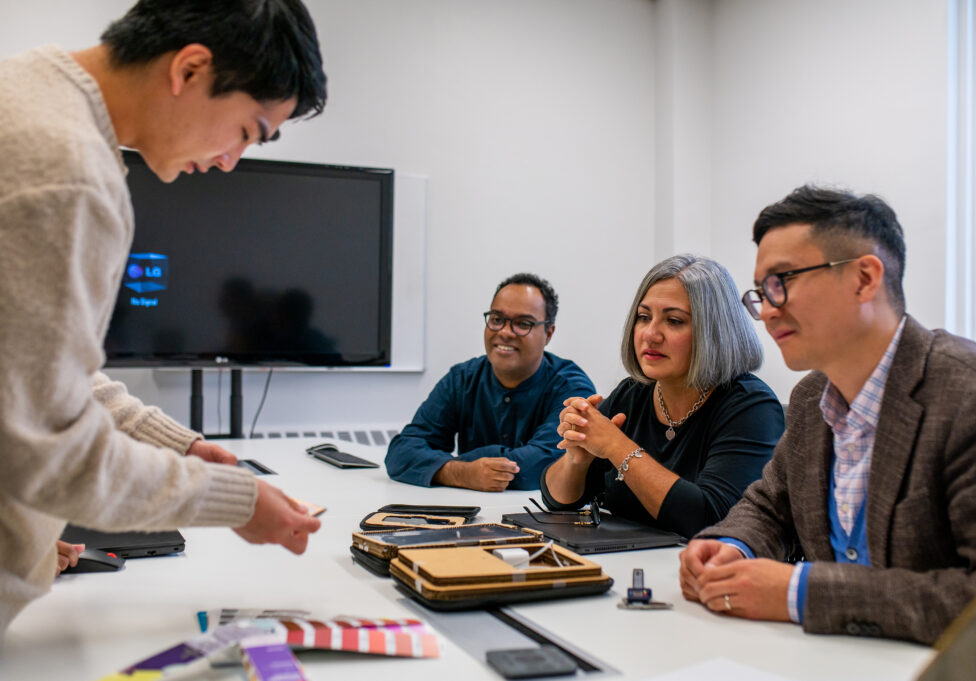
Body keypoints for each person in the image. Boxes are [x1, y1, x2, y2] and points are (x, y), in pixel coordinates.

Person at [0, 0, 328, 634]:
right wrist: (235, 502)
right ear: (190, 69)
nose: (232, 161)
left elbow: (37, 367)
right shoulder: (68, 173)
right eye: (248, 130)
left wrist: (178, 445)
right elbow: (51, 456)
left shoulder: (27, 91)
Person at [678, 185, 976, 645]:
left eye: (784, 281)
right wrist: (730, 546)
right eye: (761, 291)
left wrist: (799, 593)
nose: (768, 310)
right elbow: (768, 506)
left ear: (865, 278)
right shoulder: (810, 399)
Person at [542, 255, 784, 537]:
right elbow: (558, 501)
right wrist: (577, 460)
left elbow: (711, 518)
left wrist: (615, 446)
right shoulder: (632, 393)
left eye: (673, 320)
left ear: (715, 332)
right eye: (643, 317)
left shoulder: (752, 407)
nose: (651, 334)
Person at [386, 273, 595, 491]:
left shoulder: (572, 389)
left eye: (523, 324)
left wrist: (448, 464)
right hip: (469, 513)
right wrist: (459, 473)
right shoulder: (462, 379)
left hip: (542, 517)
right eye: (496, 320)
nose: (505, 332)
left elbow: (541, 465)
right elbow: (401, 452)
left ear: (548, 333)